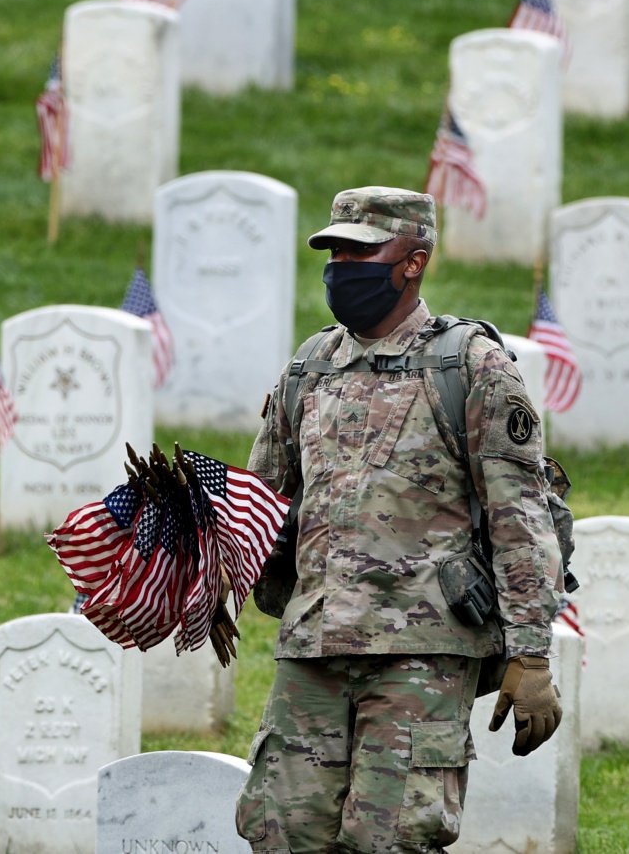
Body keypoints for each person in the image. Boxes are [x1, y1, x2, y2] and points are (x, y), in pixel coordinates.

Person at [236, 187, 563, 854]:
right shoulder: (310, 366)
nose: (341, 265)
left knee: (390, 840)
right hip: (314, 646)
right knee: (281, 832)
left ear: (413, 260)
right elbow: (258, 501)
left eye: (361, 250)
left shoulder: (470, 366)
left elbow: (520, 513)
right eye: (334, 251)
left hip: (421, 651)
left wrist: (530, 654)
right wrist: (200, 582)